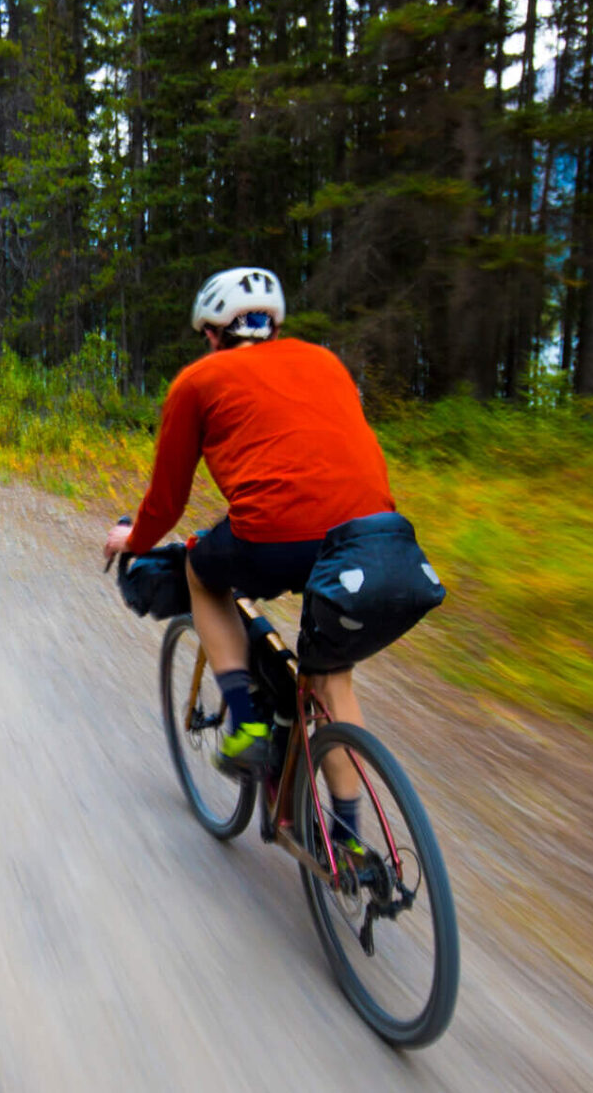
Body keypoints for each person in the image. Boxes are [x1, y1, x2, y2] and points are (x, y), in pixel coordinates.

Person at [102, 267, 442, 849]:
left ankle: (248, 718)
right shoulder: (326, 363)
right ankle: (350, 845)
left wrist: (130, 541)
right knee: (331, 681)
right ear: (274, 324)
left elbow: (166, 499)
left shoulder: (198, 380)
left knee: (201, 571)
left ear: (211, 331)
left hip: (275, 533)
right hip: (374, 537)